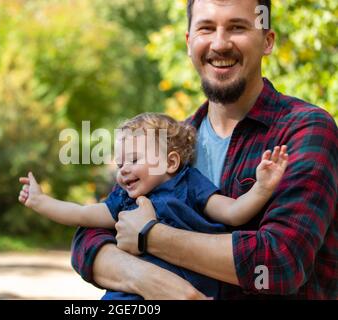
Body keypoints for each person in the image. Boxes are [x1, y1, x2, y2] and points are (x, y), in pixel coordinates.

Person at [71, 0, 338, 299]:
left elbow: (280, 262)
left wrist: (150, 236)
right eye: (206, 28)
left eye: (237, 27)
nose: (220, 44)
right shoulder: (170, 141)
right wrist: (150, 280)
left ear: (267, 40)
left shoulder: (304, 129)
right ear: (189, 42)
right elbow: (89, 240)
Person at [19, 113, 288, 299]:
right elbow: (82, 214)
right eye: (120, 163)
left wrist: (261, 188)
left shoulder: (190, 185)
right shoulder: (125, 199)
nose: (123, 170)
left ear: (170, 162)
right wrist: (41, 201)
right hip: (127, 295)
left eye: (134, 160)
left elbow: (233, 212)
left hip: (192, 291)